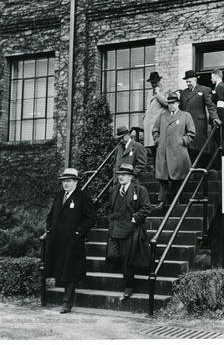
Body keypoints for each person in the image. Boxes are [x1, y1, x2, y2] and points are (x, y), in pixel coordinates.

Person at [44, 168, 97, 314]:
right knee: (59, 268)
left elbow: (91, 218)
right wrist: (49, 228)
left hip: (72, 241)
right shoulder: (59, 195)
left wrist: (79, 232)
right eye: (63, 181)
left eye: (68, 181)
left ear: (75, 182)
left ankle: (67, 302)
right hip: (57, 239)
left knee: (70, 272)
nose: (65, 184)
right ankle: (60, 299)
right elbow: (51, 214)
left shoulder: (82, 196)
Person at [106, 163, 151, 298]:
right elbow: (109, 207)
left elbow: (147, 208)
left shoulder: (140, 190)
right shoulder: (114, 190)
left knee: (127, 259)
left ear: (131, 176)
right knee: (111, 256)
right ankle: (127, 277)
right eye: (119, 174)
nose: (121, 177)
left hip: (130, 230)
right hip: (115, 228)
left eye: (124, 174)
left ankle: (129, 286)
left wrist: (135, 218)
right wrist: (111, 218)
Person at [152, 91, 195, 209]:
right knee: (163, 178)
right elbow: (155, 130)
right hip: (163, 151)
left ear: (178, 104)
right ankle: (162, 200)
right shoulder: (162, 116)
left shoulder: (186, 116)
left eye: (173, 103)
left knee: (178, 177)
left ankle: (177, 199)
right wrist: (158, 140)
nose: (171, 105)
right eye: (169, 103)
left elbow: (191, 133)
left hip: (178, 151)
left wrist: (182, 141)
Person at [180, 70, 221, 168]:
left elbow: (210, 106)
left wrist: (215, 118)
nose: (188, 84)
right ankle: (190, 170)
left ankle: (201, 168)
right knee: (188, 145)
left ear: (195, 80)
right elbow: (180, 108)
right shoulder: (183, 93)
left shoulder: (204, 90)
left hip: (199, 123)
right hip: (186, 123)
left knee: (199, 146)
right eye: (187, 82)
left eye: (190, 81)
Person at [143, 71, 169, 166]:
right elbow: (149, 105)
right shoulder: (150, 92)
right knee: (152, 147)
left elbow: (167, 103)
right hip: (149, 124)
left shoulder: (166, 90)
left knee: (159, 146)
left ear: (159, 81)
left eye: (155, 82)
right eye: (152, 82)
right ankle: (156, 168)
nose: (154, 84)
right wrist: (146, 114)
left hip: (158, 123)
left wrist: (158, 93)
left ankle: (161, 168)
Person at [211, 68, 224, 149]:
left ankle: (221, 161)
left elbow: (220, 105)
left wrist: (217, 119)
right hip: (221, 119)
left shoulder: (220, 87)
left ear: (216, 76)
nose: (211, 79)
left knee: (219, 144)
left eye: (212, 77)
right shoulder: (220, 87)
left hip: (220, 120)